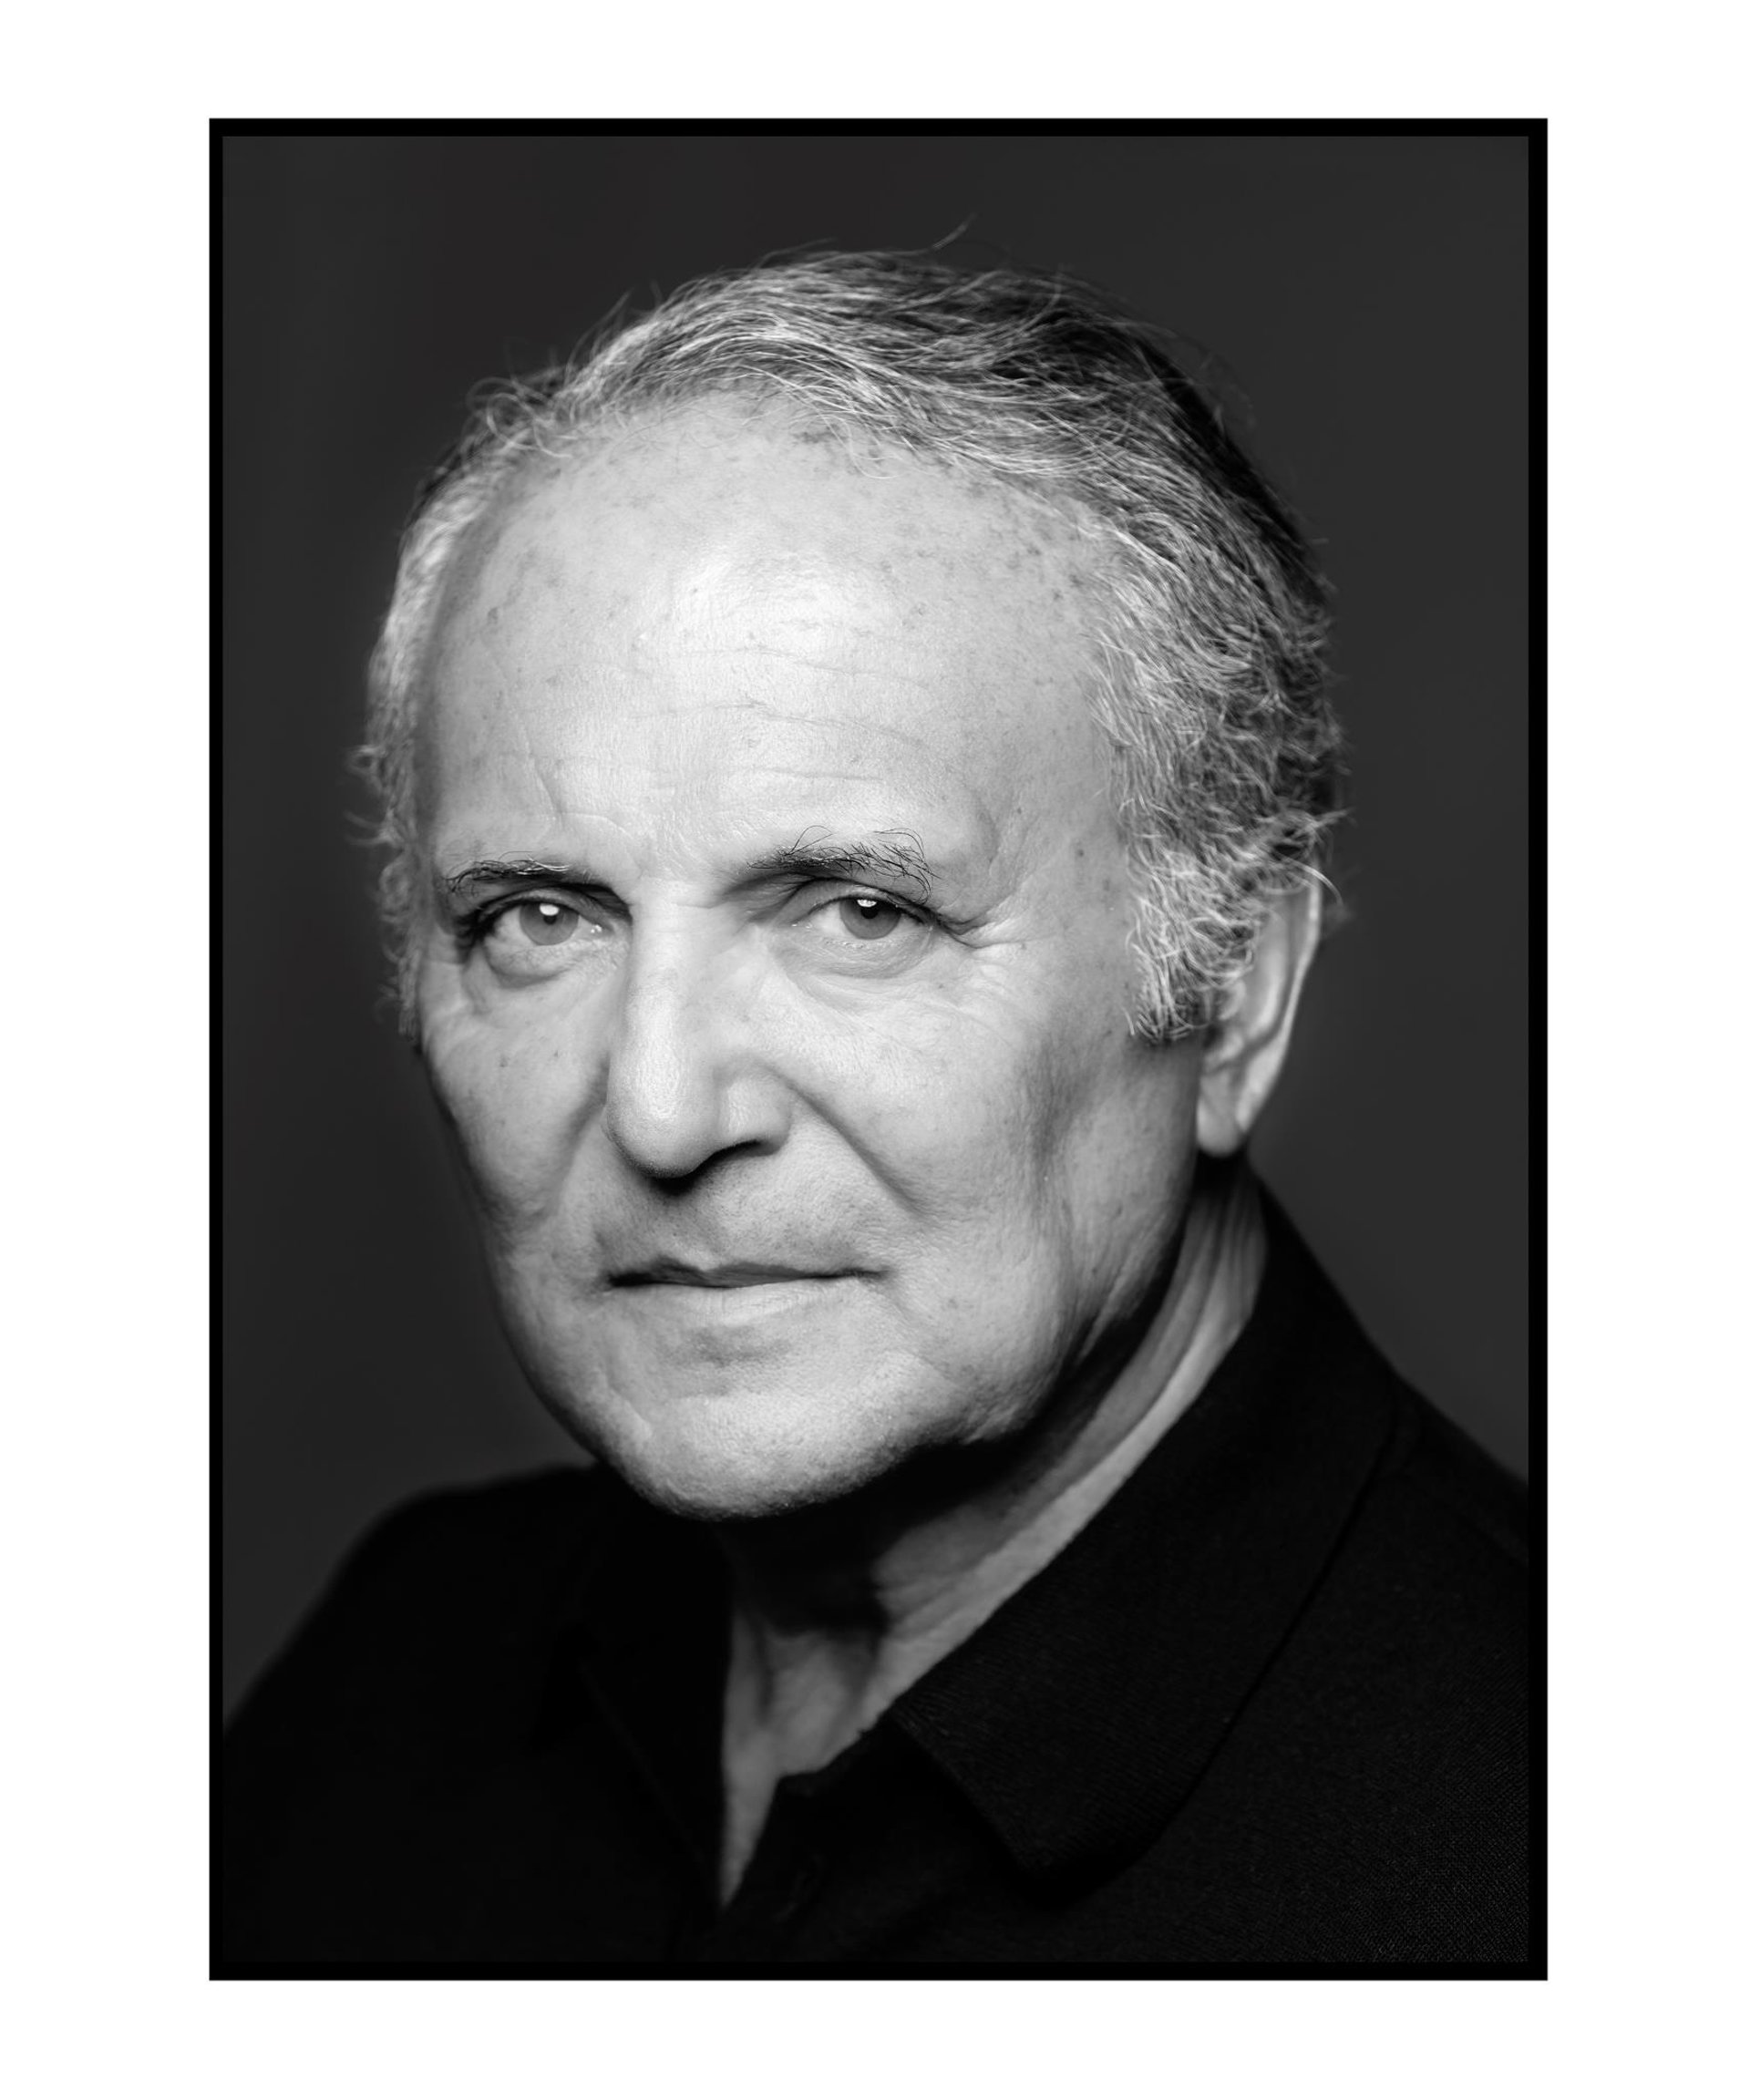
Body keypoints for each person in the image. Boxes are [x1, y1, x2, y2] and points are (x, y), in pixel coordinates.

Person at [220, 252, 1529, 1971]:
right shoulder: (393, 1676)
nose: (663, 1109)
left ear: (1232, 993)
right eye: (541, 917)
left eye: (859, 912)